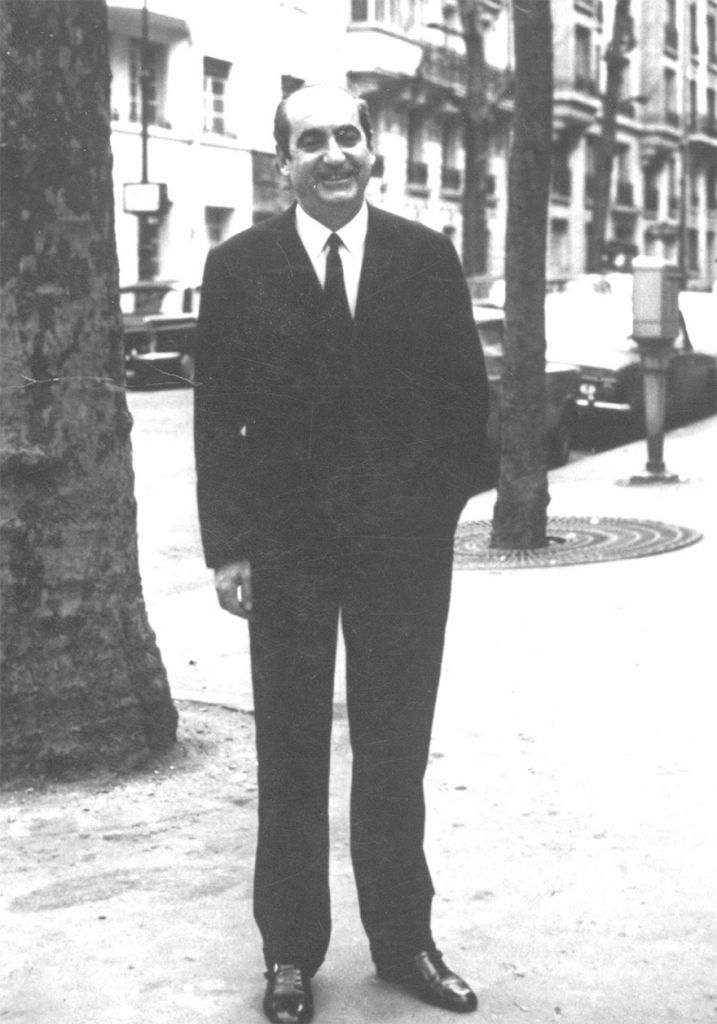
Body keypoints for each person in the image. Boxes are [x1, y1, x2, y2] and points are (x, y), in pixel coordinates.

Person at [194, 83, 489, 1024]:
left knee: (393, 750)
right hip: (286, 551)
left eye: (348, 137)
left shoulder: (424, 257)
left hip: (401, 552)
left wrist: (431, 513)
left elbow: (467, 405)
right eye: (311, 140)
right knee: (289, 753)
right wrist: (230, 548)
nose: (333, 154)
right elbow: (217, 418)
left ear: (373, 152)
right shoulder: (239, 266)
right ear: (283, 162)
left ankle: (404, 943)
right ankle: (289, 954)